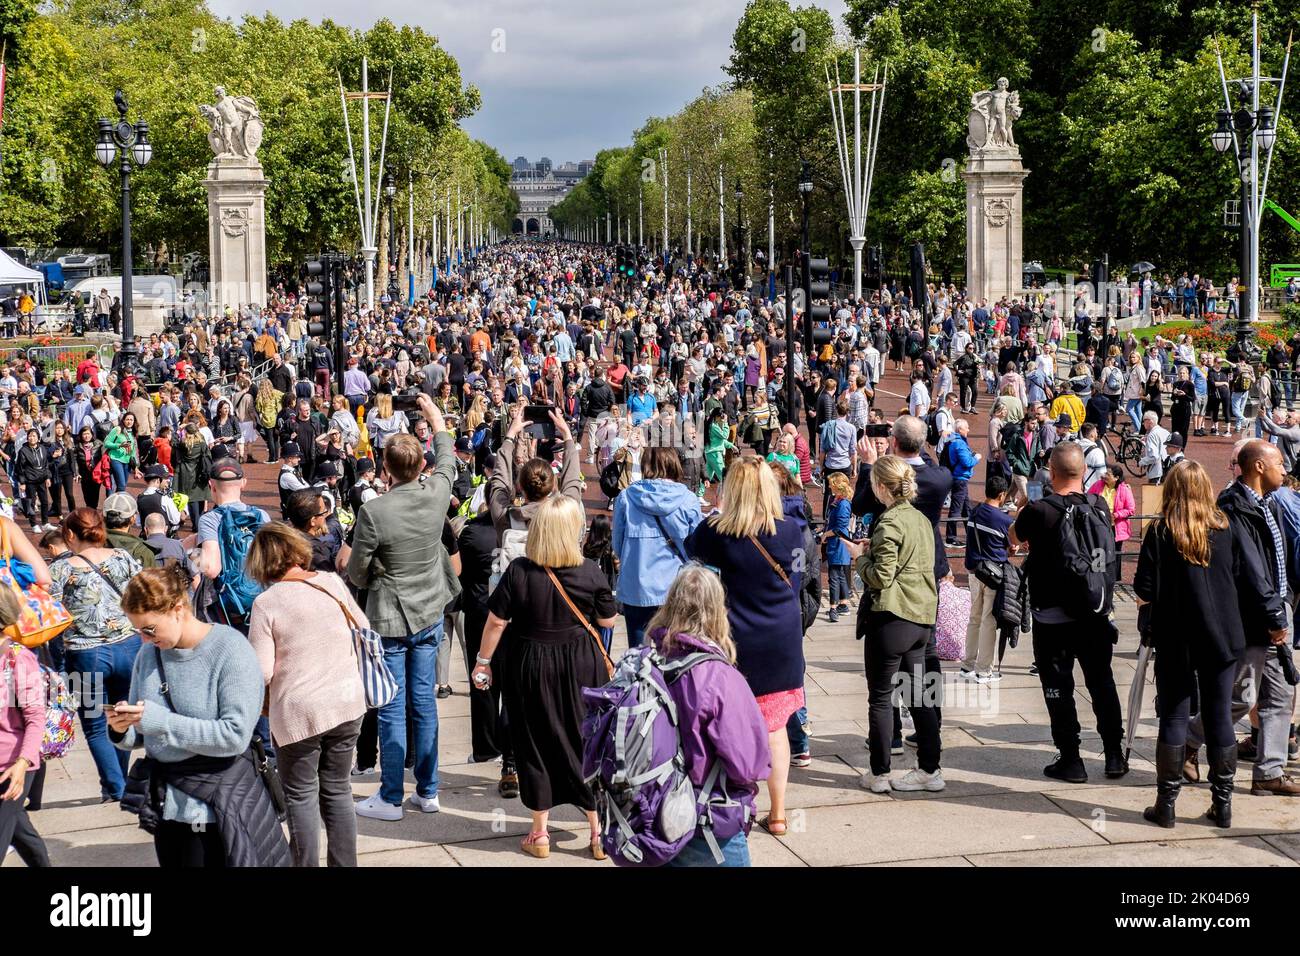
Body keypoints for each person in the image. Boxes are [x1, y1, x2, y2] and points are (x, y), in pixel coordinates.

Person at [111, 565, 286, 868]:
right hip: (165, 805)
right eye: (137, 630)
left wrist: (157, 721)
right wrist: (122, 728)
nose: (144, 639)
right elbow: (144, 732)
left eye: (149, 629)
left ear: (178, 609)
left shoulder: (230, 650)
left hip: (216, 806)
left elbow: (234, 736)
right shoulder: (148, 655)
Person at [472, 496, 617, 860]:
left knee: (533, 742)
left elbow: (496, 622)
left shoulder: (520, 571)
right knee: (587, 741)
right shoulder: (589, 570)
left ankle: (539, 833)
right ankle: (597, 832)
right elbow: (607, 621)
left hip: (532, 662)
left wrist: (483, 662)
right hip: (582, 662)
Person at [347, 396, 458, 821]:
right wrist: (434, 417)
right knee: (423, 703)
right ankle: (427, 789)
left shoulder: (374, 511)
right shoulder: (435, 493)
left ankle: (392, 795)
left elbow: (357, 574)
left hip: (392, 614)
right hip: (429, 607)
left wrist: (377, 565)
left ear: (386, 469)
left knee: (392, 706)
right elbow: (447, 456)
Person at [686, 457, 803, 838]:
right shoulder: (791, 531)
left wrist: (720, 511)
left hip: (736, 638)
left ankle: (737, 801)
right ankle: (780, 811)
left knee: (730, 723)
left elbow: (692, 548)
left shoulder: (718, 532)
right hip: (782, 635)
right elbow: (798, 577)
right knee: (775, 726)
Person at [1183, 440, 1300, 796]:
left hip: (1279, 606)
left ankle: (1269, 771)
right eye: (1279, 462)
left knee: (1281, 694)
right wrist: (1273, 615)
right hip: (1256, 617)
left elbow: (1276, 560)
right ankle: (1187, 741)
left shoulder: (1269, 504)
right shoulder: (1234, 506)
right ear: (1259, 467)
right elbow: (1251, 570)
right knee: (1241, 696)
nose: (1286, 468)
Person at [247, 522, 367, 866]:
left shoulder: (266, 603)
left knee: (300, 796)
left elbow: (262, 671)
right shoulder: (331, 583)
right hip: (346, 703)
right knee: (338, 789)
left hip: (299, 713)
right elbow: (363, 628)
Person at [1133, 461, 1244, 828]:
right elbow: (1239, 578)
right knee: (1218, 715)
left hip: (1176, 635)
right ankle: (1223, 804)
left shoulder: (1162, 530)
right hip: (1221, 634)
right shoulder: (1225, 527)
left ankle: (1166, 804)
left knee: (1175, 716)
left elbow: (1143, 589)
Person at [1010, 443, 1128, 783]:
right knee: (1102, 683)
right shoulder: (1099, 506)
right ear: (1081, 471)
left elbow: (1013, 539)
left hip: (1053, 618)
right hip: (1094, 613)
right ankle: (1113, 755)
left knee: (1058, 688)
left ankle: (1072, 758)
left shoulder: (1041, 510)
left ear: (1052, 470)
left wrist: (1024, 506)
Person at [647, 564, 771, 867]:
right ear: (718, 610)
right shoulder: (719, 677)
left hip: (651, 814)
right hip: (706, 817)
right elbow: (748, 763)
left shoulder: (647, 663)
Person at [856, 455, 944, 793]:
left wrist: (860, 557)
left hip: (892, 618)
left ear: (880, 487)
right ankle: (930, 769)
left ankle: (879, 773)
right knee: (919, 695)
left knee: (880, 697)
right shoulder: (921, 518)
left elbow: (881, 575)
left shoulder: (889, 521)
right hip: (921, 618)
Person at [50, 508, 142, 803]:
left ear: (70, 535)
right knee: (122, 716)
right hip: (128, 645)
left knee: (94, 724)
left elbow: (50, 614)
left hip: (84, 651)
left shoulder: (61, 569)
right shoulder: (122, 558)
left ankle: (116, 786)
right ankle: (120, 782)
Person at [612, 446, 702, 648]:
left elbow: (617, 545)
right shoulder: (688, 499)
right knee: (673, 652)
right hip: (676, 586)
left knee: (638, 654)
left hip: (637, 585)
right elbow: (697, 549)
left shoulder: (626, 498)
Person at [0, 583, 52, 866]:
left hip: (12, 766)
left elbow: (35, 718)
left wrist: (21, 764)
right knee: (22, 833)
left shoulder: (18, 660)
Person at [961, 473, 1015, 682]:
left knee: (974, 619)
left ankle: (967, 664)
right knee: (988, 621)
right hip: (993, 575)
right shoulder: (1003, 520)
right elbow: (1011, 547)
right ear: (1002, 495)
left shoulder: (974, 512)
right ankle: (983, 670)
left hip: (974, 572)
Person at [1087, 465, 1135, 581]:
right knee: (1098, 549)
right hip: (1099, 525)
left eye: (1108, 474)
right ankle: (1098, 576)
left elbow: (1131, 509)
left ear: (1116, 477)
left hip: (1115, 527)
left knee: (1115, 553)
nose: (1104, 476)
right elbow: (1087, 498)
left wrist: (1117, 515)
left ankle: (1113, 579)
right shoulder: (1098, 485)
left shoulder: (1124, 490)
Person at [821, 471, 854, 623]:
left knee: (834, 576)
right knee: (840, 575)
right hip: (838, 543)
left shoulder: (843, 503)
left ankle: (833, 608)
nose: (829, 486)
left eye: (831, 484)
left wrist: (825, 535)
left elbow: (840, 527)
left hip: (838, 544)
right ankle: (844, 604)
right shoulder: (838, 501)